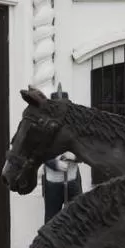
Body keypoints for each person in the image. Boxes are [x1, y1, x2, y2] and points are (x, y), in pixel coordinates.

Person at [41, 87, 83, 224]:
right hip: (53, 181)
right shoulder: (44, 128)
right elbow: (40, 152)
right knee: (52, 221)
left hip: (72, 179)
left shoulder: (76, 127)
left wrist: (75, 156)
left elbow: (84, 150)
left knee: (77, 219)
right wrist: (54, 164)